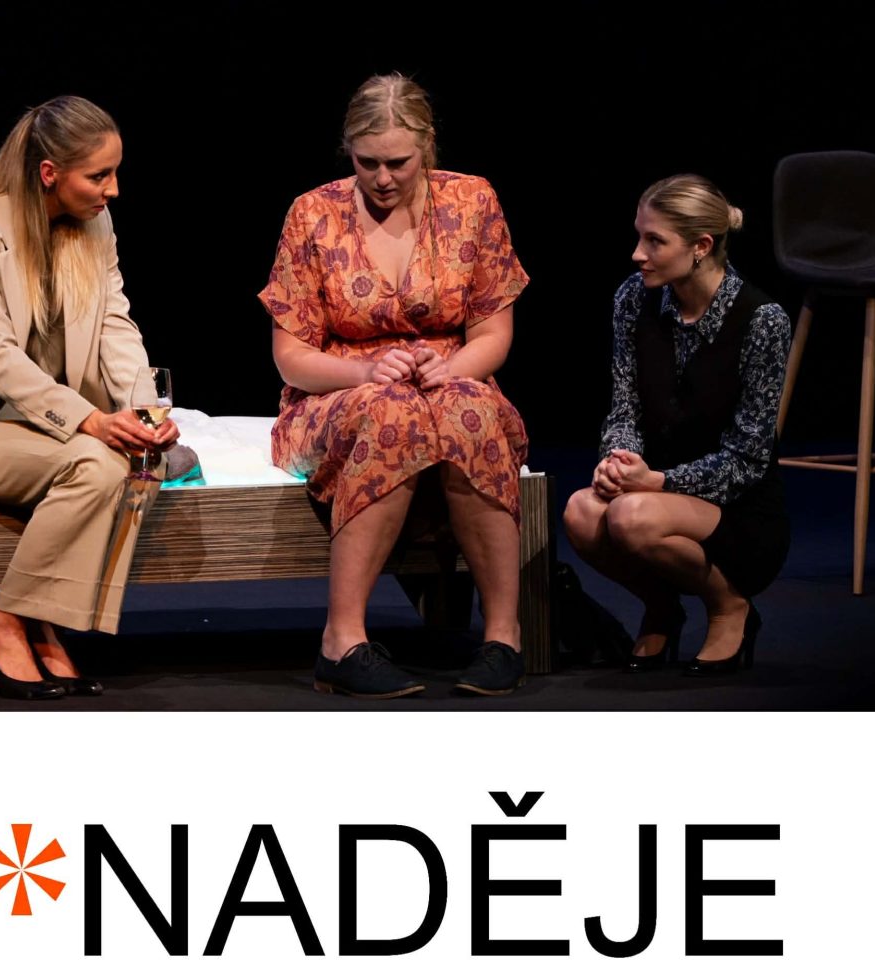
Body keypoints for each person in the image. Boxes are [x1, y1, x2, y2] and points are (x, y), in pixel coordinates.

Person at [0, 95, 179, 699]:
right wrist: (90, 421)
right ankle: (7, 623)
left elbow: (115, 324)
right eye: (98, 175)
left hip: (59, 424)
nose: (113, 190)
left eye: (114, 172)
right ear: (50, 173)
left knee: (139, 460)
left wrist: (143, 409)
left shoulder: (95, 225)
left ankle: (33, 620)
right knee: (98, 462)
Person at [258, 73, 530, 698]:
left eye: (398, 163)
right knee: (391, 411)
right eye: (367, 162)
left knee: (473, 410)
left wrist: (452, 368)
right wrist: (362, 373)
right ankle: (342, 641)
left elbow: (493, 334)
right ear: (348, 151)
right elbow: (292, 358)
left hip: (448, 382)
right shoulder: (313, 214)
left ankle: (503, 637)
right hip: (335, 394)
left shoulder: (472, 202)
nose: (382, 178)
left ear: (427, 148)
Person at [563, 174, 791, 676]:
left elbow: (748, 459)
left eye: (655, 241)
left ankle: (730, 606)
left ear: (700, 246)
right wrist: (619, 459)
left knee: (631, 517)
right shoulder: (633, 298)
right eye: (639, 237)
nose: (637, 254)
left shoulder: (762, 320)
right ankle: (662, 607)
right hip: (650, 490)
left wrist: (659, 482)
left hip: (738, 511)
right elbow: (623, 406)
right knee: (581, 511)